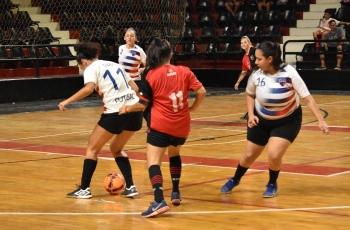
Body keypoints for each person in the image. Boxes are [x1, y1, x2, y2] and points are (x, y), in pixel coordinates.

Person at [221, 41, 329, 198]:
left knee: (274, 154)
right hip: (260, 120)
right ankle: (235, 179)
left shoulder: (289, 73)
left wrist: (321, 120)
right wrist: (251, 115)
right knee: (249, 155)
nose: (255, 62)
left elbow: (307, 98)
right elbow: (249, 94)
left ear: (270, 59)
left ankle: (272, 183)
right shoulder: (256, 74)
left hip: (287, 121)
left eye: (259, 59)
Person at [119, 38, 206, 217]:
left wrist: (127, 107)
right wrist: (193, 108)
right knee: (174, 154)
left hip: (161, 126)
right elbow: (202, 92)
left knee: (153, 161)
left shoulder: (151, 75)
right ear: (170, 55)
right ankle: (175, 192)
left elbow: (143, 104)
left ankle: (159, 200)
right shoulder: (184, 71)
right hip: (182, 125)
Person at [59, 42, 142, 199]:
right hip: (135, 111)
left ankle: (84, 189)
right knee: (116, 148)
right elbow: (136, 89)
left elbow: (88, 89)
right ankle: (130, 186)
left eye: (81, 66)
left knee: (92, 149)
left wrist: (67, 101)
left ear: (84, 61)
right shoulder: (115, 64)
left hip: (115, 113)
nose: (83, 69)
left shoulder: (91, 68)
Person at [235, 36, 257, 120]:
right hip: (254, 76)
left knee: (250, 94)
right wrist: (238, 82)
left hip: (260, 75)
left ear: (249, 43)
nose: (243, 44)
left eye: (245, 42)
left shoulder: (254, 51)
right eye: (242, 43)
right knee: (249, 93)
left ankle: (252, 112)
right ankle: (250, 112)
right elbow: (244, 72)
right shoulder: (244, 58)